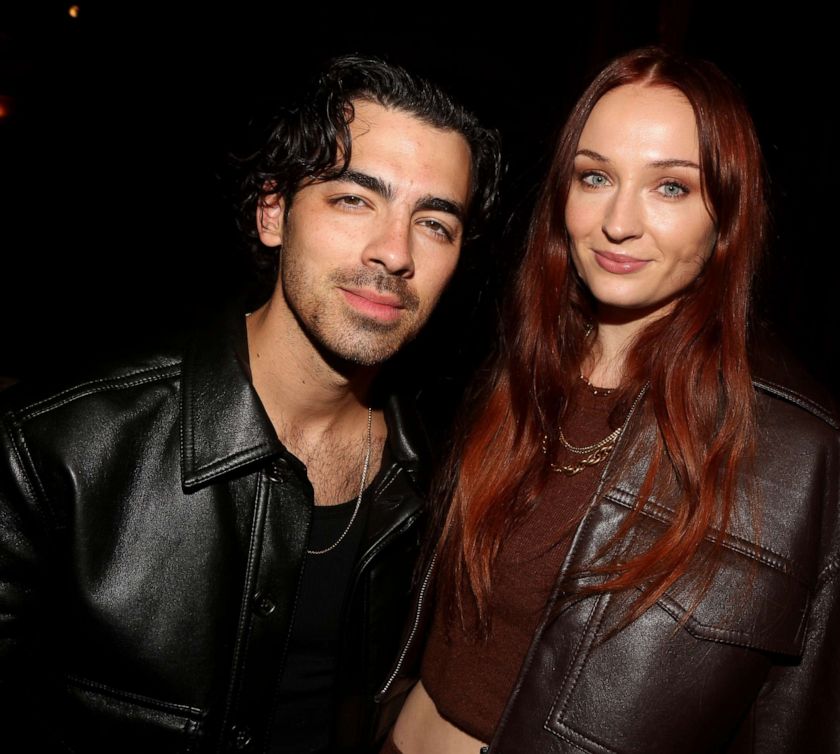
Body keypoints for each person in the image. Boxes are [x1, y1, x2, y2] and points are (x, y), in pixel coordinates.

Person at [381, 46, 840, 753]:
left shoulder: (797, 457)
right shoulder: (520, 375)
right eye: (595, 177)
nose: (619, 221)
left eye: (670, 187)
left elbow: (804, 724)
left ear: (726, 217)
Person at [0, 54, 500, 752]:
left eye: (435, 223)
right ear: (274, 212)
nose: (395, 252)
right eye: (355, 198)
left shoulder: (446, 483)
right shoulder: (58, 443)